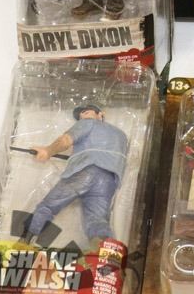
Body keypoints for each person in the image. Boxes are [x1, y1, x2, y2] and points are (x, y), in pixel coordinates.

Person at [27, 104, 129, 244]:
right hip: (108, 180)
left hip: (85, 172)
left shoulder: (88, 123)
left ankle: (24, 242)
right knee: (97, 220)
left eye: (86, 112)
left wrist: (48, 151)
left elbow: (65, 141)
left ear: (100, 115)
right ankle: (104, 251)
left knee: (48, 206)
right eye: (80, 115)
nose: (82, 116)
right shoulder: (121, 135)